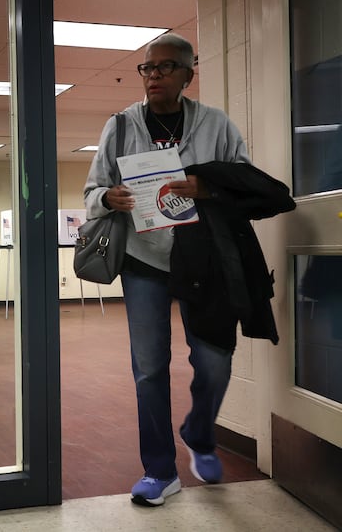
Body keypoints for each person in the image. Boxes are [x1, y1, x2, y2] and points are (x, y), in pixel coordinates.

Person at [84, 33, 294, 507]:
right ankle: (159, 471)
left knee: (215, 362)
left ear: (187, 74)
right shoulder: (119, 127)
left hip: (206, 259)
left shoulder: (217, 125)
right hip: (144, 259)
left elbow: (246, 184)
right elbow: (91, 192)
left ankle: (199, 432)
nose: (153, 76)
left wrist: (208, 188)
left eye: (164, 67)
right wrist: (107, 198)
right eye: (146, 68)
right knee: (149, 369)